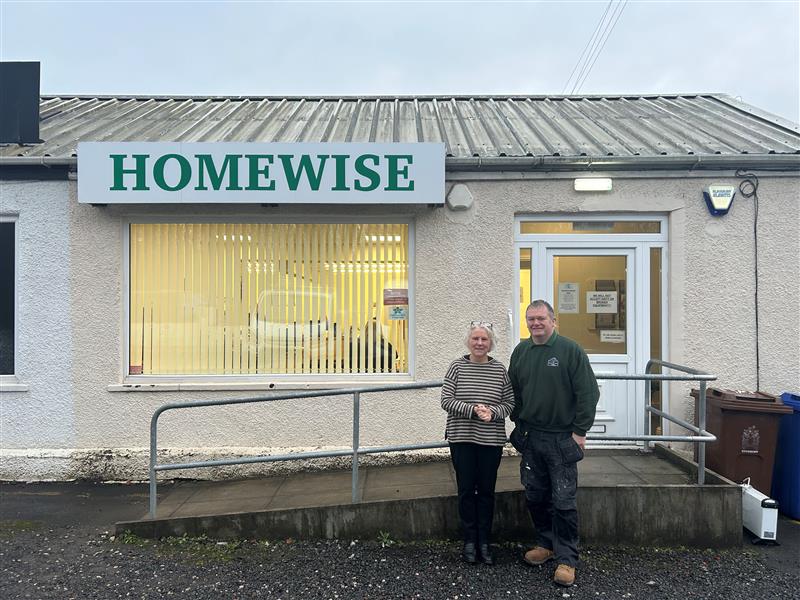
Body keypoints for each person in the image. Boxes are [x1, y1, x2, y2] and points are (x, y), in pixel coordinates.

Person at [509, 300, 599, 587]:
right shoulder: (521, 351)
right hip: (531, 437)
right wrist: (518, 422)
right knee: (535, 494)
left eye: (541, 318)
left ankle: (567, 559)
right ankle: (545, 544)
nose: (535, 323)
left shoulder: (570, 350)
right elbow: (514, 390)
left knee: (563, 500)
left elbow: (588, 393)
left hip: (562, 437)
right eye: (531, 319)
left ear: (553, 321)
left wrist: (580, 432)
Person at [441, 321, 515, 565]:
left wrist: (493, 413)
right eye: (476, 339)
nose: (480, 343)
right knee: (465, 491)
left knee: (486, 492)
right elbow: (446, 400)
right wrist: (473, 410)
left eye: (484, 339)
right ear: (468, 341)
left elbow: (509, 404)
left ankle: (485, 541)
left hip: (490, 441)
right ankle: (469, 540)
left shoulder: (499, 370)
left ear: (491, 343)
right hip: (462, 438)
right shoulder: (457, 367)